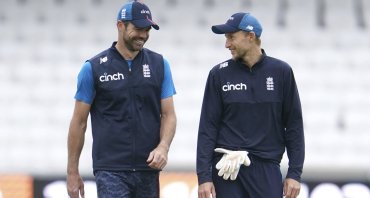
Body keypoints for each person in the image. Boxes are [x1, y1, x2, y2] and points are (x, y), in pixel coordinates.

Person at [66, 1, 177, 197]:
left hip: (148, 169)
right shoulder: (93, 68)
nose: (143, 35)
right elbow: (79, 122)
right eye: (138, 28)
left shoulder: (160, 64)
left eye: (147, 29)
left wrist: (163, 147)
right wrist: (72, 172)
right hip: (110, 170)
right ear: (120, 25)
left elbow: (169, 115)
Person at [196, 12, 305, 198]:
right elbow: (207, 128)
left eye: (231, 37)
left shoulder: (282, 72)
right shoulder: (218, 74)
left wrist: (295, 173)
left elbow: (293, 125)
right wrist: (204, 177)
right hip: (227, 168)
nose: (227, 44)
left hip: (267, 169)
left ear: (250, 36)